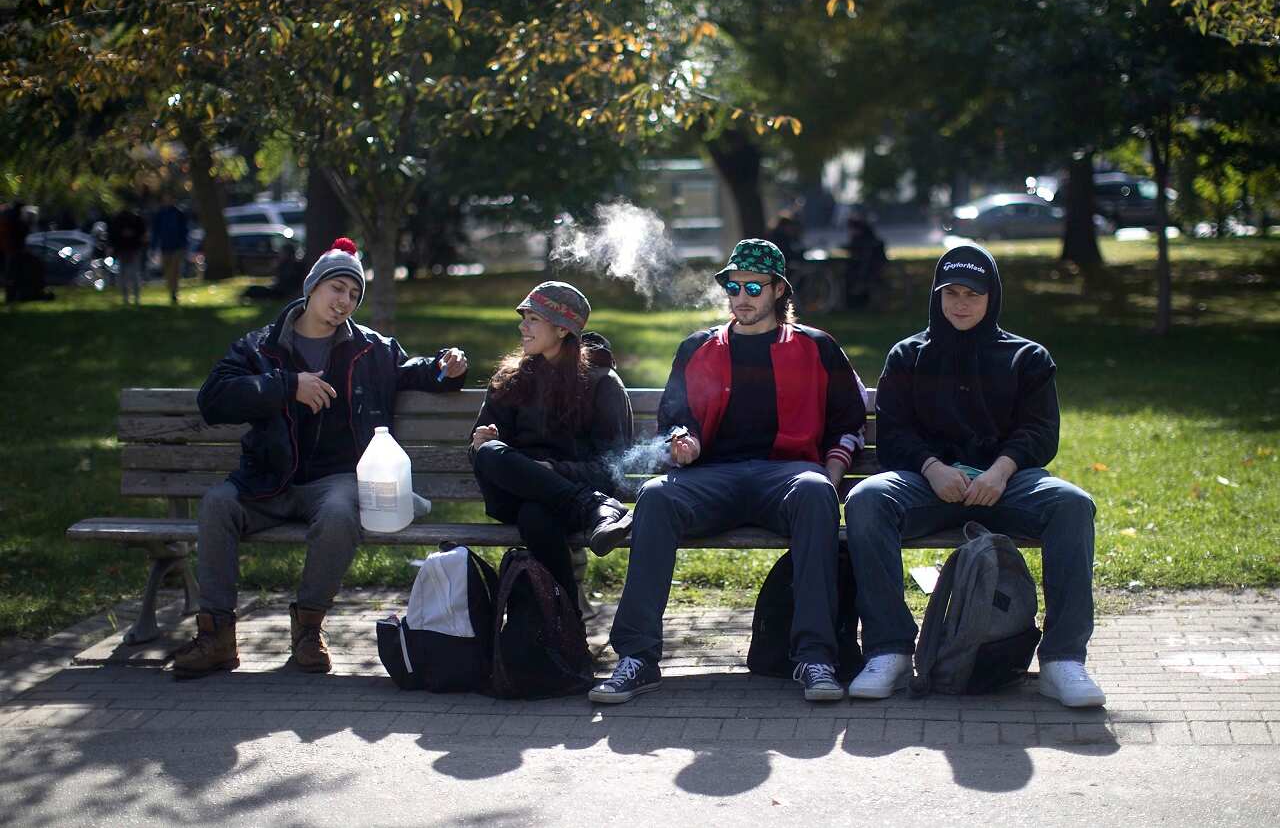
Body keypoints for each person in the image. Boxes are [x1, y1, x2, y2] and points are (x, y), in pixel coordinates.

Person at [172, 237, 469, 679]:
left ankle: (309, 629)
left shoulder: (372, 349)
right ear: (312, 288)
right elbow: (213, 399)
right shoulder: (259, 347)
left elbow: (416, 370)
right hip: (268, 480)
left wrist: (447, 367)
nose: (344, 301)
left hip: (336, 478)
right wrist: (286, 385)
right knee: (218, 503)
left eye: (353, 294)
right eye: (337, 289)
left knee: (337, 513)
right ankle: (217, 636)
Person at [590, 239, 868, 704]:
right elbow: (674, 419)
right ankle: (637, 658)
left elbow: (849, 421)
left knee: (817, 492)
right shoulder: (699, 348)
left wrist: (832, 472)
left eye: (753, 287)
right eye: (733, 286)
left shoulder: (815, 348)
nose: (742, 296)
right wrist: (685, 441)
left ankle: (815, 657)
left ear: (779, 290)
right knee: (656, 496)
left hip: (786, 476)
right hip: (711, 479)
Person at [844, 244, 1104, 707]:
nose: (960, 304)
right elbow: (896, 436)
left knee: (1072, 504)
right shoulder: (907, 355)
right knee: (867, 499)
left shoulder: (1028, 358)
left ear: (992, 298)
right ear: (936, 296)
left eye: (972, 294)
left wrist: (1001, 472)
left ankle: (1064, 659)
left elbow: (1040, 434)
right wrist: (932, 468)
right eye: (951, 293)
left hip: (1004, 483)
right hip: (929, 484)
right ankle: (890, 649)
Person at [470, 282, 634, 609]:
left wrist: (554, 470)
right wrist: (479, 442)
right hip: (518, 494)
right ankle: (590, 506)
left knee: (536, 516)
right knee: (489, 453)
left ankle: (568, 626)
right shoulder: (511, 377)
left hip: (560, 496)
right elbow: (483, 454)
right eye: (523, 318)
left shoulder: (601, 383)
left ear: (561, 329)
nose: (522, 326)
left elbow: (612, 468)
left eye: (532, 319)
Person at [150, 197, 190, 304]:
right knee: (167, 270)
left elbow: (184, 230)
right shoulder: (160, 214)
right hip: (165, 247)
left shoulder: (179, 213)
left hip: (177, 247)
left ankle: (174, 292)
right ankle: (171, 289)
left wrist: (184, 245)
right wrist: (153, 246)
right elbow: (156, 231)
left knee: (175, 270)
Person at [843, 216, 889, 308]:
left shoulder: (864, 241)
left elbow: (862, 257)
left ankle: (854, 302)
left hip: (867, 271)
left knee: (847, 276)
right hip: (868, 268)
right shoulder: (869, 239)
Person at [108, 206, 147, 306]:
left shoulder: (135, 219)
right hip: (123, 250)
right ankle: (127, 297)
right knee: (125, 274)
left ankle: (134, 297)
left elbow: (142, 236)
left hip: (133, 249)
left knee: (132, 274)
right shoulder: (119, 219)